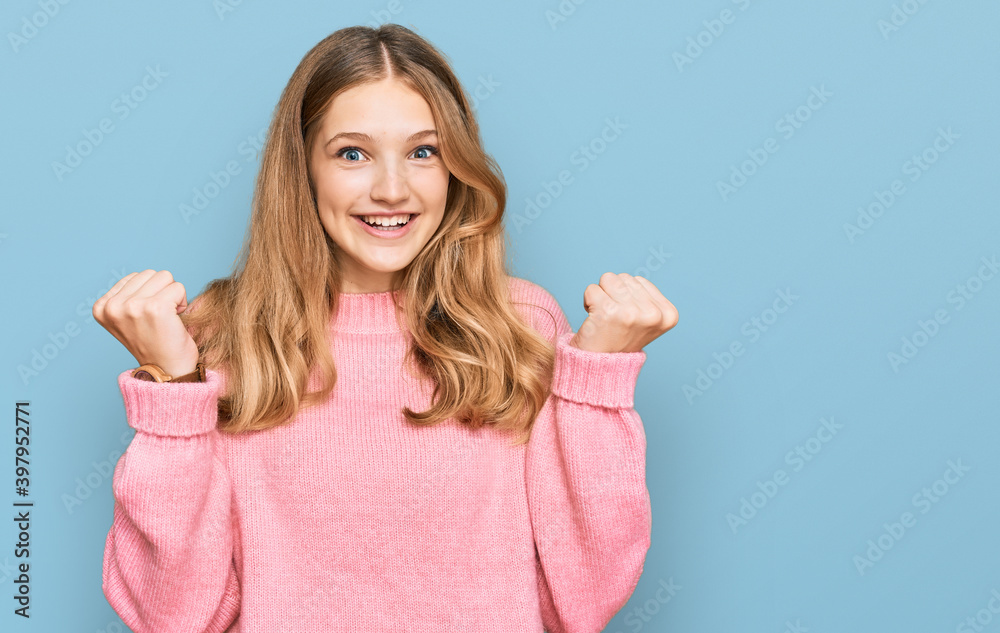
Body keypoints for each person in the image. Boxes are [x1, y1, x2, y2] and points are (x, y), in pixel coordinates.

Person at [93, 23, 678, 633]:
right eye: (353, 153)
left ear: (454, 168)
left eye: (423, 152)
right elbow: (171, 618)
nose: (392, 190)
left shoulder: (518, 324)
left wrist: (597, 382)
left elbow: (580, 601)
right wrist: (173, 390)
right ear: (304, 169)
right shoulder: (220, 336)